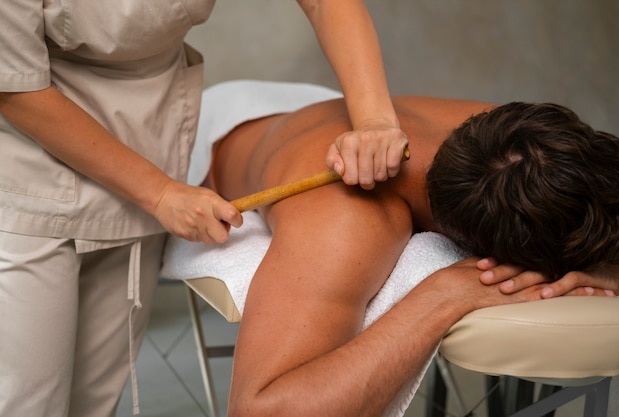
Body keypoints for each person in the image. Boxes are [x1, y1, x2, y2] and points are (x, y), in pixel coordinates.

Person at [0, 2, 407, 417]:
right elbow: (16, 89)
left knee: (93, 403)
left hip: (150, 136)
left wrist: (375, 119)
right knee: (24, 403)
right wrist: (159, 194)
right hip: (30, 160)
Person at [199, 80, 619, 417]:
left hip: (299, 106)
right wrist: (440, 297)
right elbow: (260, 410)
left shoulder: (518, 143)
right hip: (205, 138)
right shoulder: (343, 219)